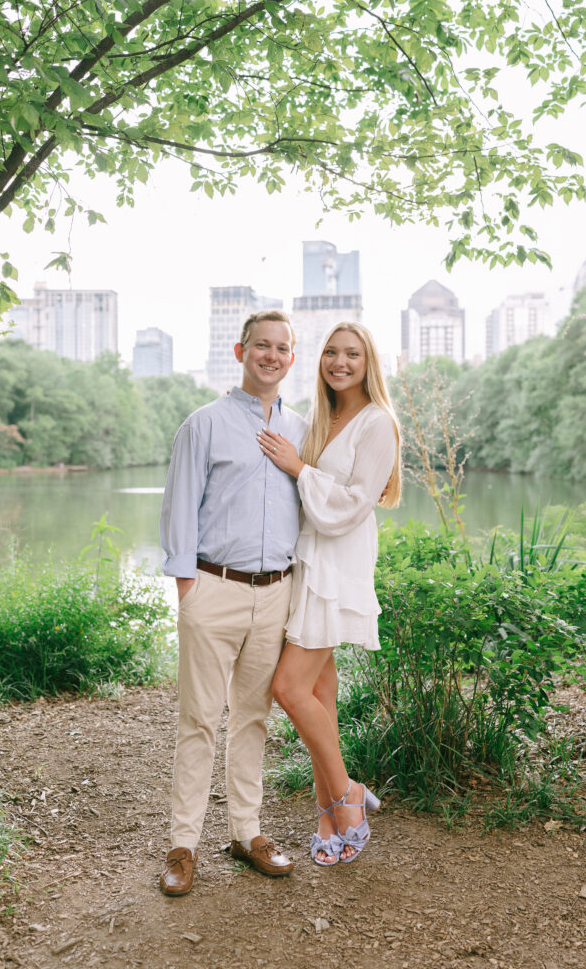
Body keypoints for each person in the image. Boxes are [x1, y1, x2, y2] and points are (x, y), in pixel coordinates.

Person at [158, 310, 306, 896]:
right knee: (198, 718)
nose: (271, 355)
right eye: (261, 345)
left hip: (277, 593)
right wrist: (187, 589)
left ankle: (247, 834)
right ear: (241, 351)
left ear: (292, 359)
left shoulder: (302, 427)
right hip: (212, 587)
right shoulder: (205, 424)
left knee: (254, 718)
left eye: (282, 348)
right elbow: (178, 509)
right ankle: (182, 845)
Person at [257, 321, 401, 866]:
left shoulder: (377, 423)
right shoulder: (323, 416)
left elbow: (353, 504)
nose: (340, 362)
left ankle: (347, 795)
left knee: (288, 688)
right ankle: (326, 814)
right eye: (331, 353)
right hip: (307, 560)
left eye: (352, 354)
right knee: (319, 694)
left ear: (369, 363)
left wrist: (297, 468)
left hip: (338, 565)